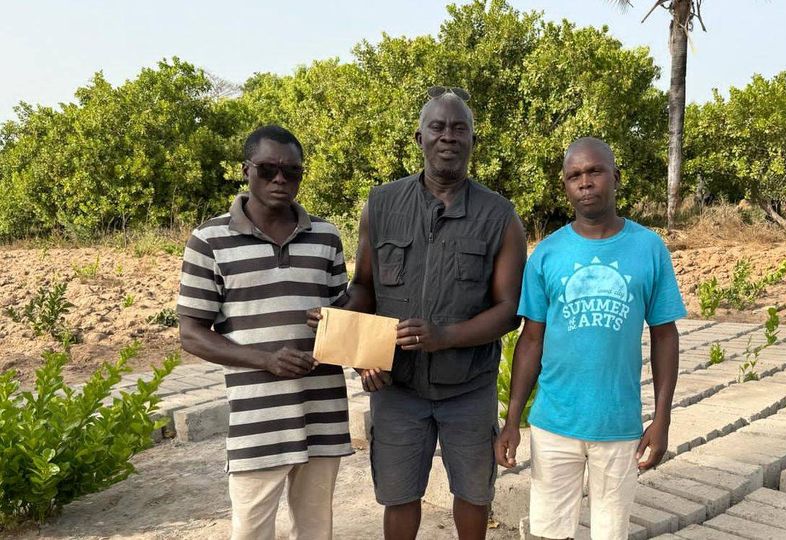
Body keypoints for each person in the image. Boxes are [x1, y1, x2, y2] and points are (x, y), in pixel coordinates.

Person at [309, 87, 526, 540]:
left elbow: (509, 311)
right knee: (399, 495)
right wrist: (352, 343)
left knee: (473, 494)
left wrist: (443, 336)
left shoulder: (499, 215)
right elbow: (364, 287)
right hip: (398, 388)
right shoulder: (381, 204)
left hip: (468, 387)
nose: (448, 136)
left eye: (459, 128)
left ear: (472, 140)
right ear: (419, 136)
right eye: (438, 126)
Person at [494, 137, 685, 540]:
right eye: (574, 176)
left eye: (595, 172)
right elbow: (531, 339)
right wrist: (512, 419)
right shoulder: (547, 254)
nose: (585, 182)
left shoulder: (649, 249)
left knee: (610, 533)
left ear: (615, 178)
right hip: (553, 424)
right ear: (565, 186)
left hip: (618, 425)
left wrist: (662, 417)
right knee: (548, 532)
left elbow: (665, 335)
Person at [177, 125, 351, 540]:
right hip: (258, 418)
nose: (280, 179)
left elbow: (344, 313)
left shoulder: (325, 236)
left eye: (292, 171)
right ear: (246, 170)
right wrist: (265, 360)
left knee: (315, 531)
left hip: (322, 413)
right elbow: (192, 333)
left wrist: (350, 338)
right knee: (251, 532)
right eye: (268, 169)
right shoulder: (209, 241)